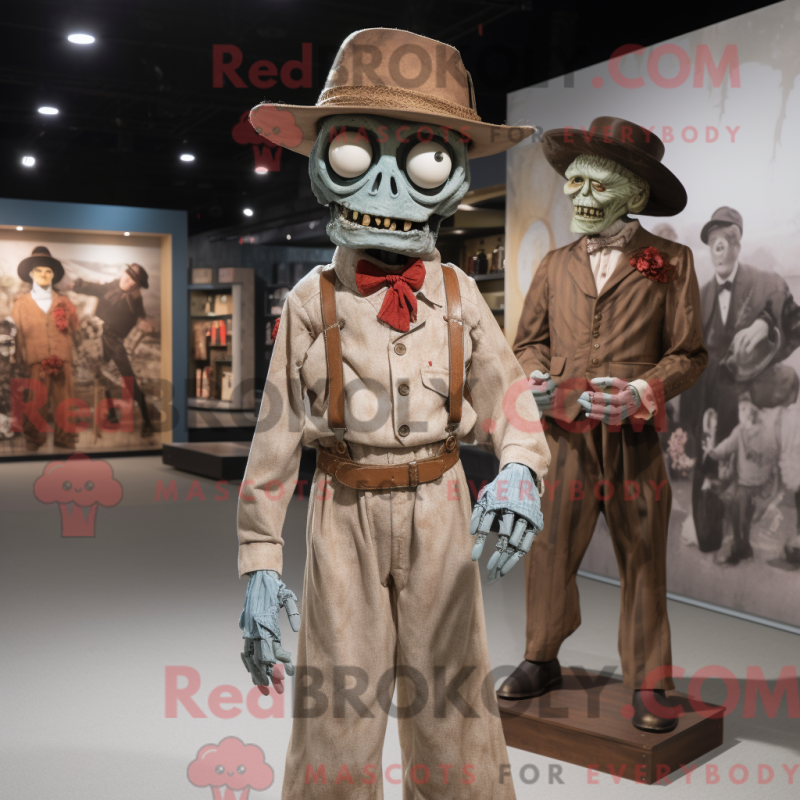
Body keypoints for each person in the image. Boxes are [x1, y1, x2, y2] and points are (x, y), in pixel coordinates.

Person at [237, 29, 550, 799]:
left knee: (453, 705)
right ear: (325, 164)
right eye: (355, 154)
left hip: (442, 508)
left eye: (423, 161)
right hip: (343, 511)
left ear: (452, 173)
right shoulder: (309, 301)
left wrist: (520, 468)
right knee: (337, 710)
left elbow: (511, 402)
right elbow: (275, 441)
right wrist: (259, 562)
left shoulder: (459, 293)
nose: (384, 188)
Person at [510, 117, 708, 733]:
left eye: (597, 185)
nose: (579, 196)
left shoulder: (671, 261)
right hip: (564, 433)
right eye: (574, 183)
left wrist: (644, 391)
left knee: (644, 556)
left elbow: (689, 353)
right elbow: (528, 341)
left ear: (635, 194)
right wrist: (534, 376)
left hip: (635, 437)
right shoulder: (554, 265)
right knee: (547, 549)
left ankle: (650, 681)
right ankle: (541, 655)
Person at [681, 207, 800, 552]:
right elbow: (687, 358)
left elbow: (794, 323)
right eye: (712, 243)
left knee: (751, 474)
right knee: (707, 535)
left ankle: (750, 531)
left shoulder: (765, 283)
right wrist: (687, 426)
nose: (718, 250)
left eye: (725, 242)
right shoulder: (699, 295)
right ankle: (711, 522)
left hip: (749, 397)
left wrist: (766, 323)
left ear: (737, 245)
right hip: (709, 401)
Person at [71, 263, 155, 437]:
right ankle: (111, 413)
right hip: (97, 338)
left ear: (137, 285)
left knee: (129, 381)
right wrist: (79, 285)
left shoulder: (135, 300)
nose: (127, 279)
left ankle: (147, 422)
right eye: (127, 273)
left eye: (133, 278)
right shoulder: (111, 287)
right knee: (101, 376)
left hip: (115, 342)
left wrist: (144, 324)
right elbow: (94, 288)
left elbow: (144, 323)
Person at [11, 246, 79, 450]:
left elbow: (76, 329)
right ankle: (34, 439)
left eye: (48, 271)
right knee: (35, 401)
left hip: (62, 358)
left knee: (64, 401)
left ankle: (65, 439)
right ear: (31, 274)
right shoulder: (21, 304)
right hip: (36, 359)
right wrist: (19, 357)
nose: (43, 274)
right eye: (38, 270)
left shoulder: (64, 302)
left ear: (53, 275)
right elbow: (17, 334)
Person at [703, 393, 779, 564]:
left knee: (743, 518)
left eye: (745, 409)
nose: (742, 413)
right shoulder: (739, 431)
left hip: (758, 484)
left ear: (754, 410)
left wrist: (759, 459)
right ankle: (742, 547)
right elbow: (726, 447)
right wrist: (712, 452)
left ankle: (742, 548)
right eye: (740, 410)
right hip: (744, 483)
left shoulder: (764, 430)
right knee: (739, 515)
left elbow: (771, 456)